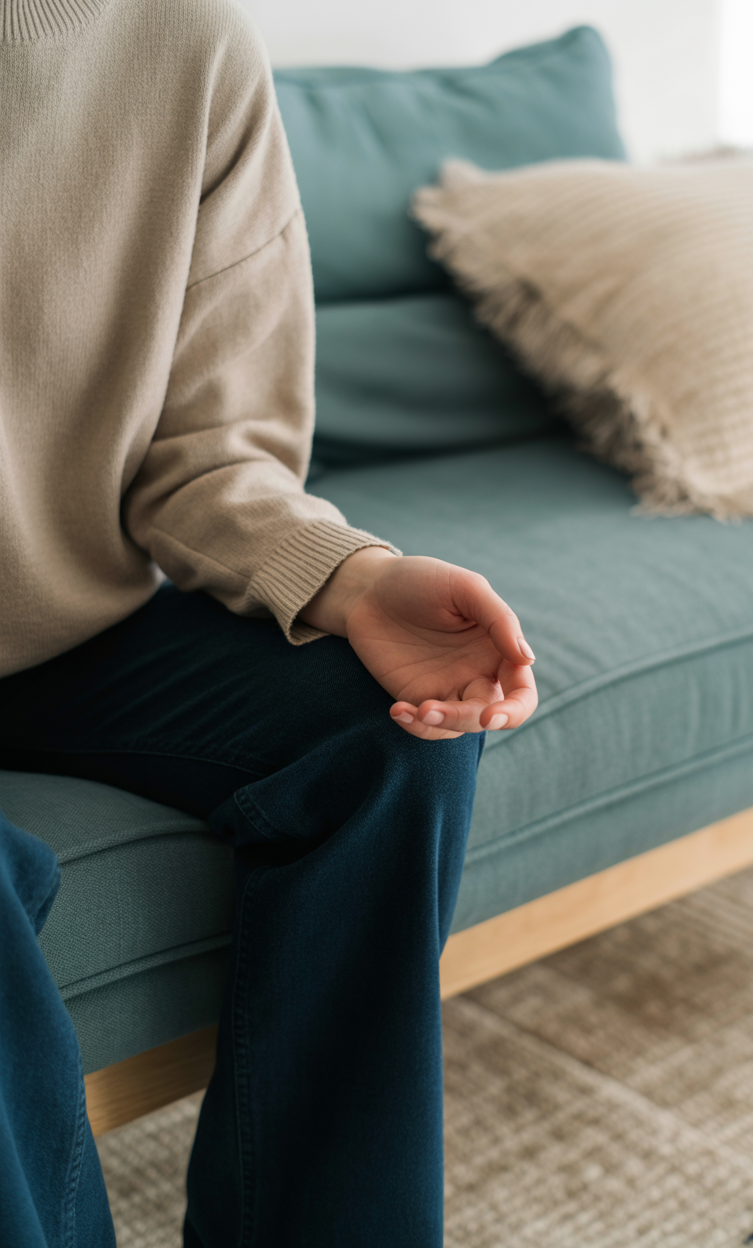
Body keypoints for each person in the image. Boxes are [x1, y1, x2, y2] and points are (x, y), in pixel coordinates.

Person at [0, 0, 538, 1242]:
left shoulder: (186, 42)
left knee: (392, 732)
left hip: (68, 622)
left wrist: (351, 580)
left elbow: (208, 449)